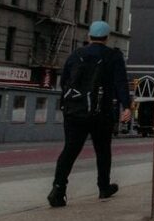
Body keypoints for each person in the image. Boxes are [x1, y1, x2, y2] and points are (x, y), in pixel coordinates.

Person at [47, 21, 131, 207]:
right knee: (103, 151)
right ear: (107, 37)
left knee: (70, 150)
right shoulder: (113, 56)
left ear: (89, 36)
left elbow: (65, 83)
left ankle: (58, 188)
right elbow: (120, 82)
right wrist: (126, 106)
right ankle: (103, 187)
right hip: (102, 113)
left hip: (75, 112)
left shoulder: (76, 55)